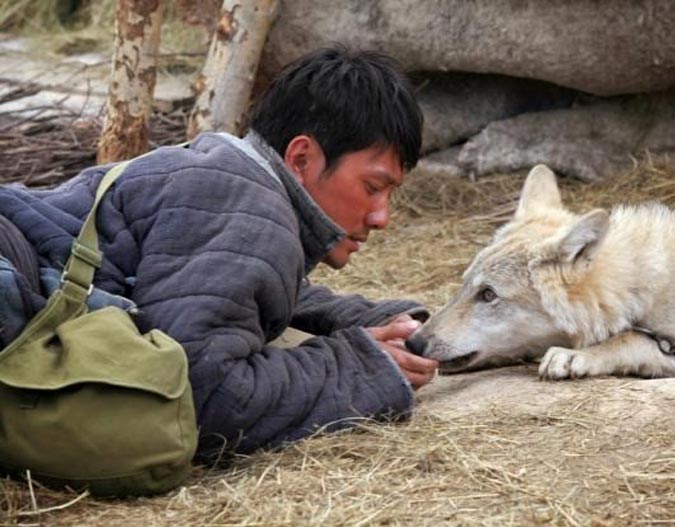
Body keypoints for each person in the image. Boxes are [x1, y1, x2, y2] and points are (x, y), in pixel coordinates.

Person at [0, 46, 439, 459]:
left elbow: (228, 285)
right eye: (374, 187)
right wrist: (360, 368)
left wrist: (365, 319)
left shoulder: (228, 175)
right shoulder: (250, 209)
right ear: (302, 159)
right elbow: (203, 395)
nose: (382, 217)